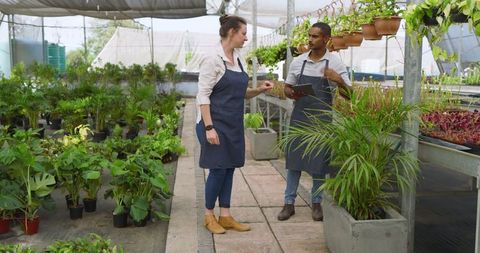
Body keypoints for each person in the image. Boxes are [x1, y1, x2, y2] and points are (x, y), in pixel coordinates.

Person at [196, 15, 274, 234]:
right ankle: (209, 215)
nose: (246, 38)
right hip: (213, 123)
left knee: (229, 169)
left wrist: (258, 89)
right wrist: (209, 128)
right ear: (231, 32)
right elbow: (203, 95)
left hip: (232, 122)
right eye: (243, 33)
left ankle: (226, 215)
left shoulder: (238, 58)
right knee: (218, 169)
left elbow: (241, 93)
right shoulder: (212, 59)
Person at [277, 22, 352, 222]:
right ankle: (288, 203)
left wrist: (337, 79)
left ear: (327, 39)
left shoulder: (335, 63)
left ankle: (316, 203)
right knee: (294, 161)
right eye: (309, 36)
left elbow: (349, 95)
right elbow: (286, 87)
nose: (310, 40)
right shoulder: (298, 61)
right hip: (300, 117)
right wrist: (291, 93)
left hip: (322, 121)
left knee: (319, 162)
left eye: (315, 36)